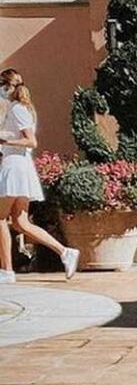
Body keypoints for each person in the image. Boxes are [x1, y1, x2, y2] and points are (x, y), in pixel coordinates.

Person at [0, 69, 80, 282]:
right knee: (20, 222)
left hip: (14, 168)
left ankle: (6, 270)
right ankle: (65, 252)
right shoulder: (21, 108)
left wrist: (3, 141)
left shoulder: (17, 108)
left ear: (8, 86)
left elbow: (31, 141)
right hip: (19, 166)